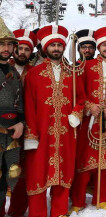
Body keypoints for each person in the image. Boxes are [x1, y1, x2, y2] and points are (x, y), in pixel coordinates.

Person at [24, 24, 84, 217]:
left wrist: (76, 112)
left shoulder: (73, 74)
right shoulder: (34, 74)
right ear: (46, 48)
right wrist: (31, 133)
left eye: (59, 45)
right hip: (41, 132)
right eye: (53, 45)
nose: (56, 48)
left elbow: (81, 98)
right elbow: (28, 105)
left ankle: (59, 211)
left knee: (63, 170)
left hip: (66, 132)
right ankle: (37, 213)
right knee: (38, 172)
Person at [69, 27, 106, 213]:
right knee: (84, 162)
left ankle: (101, 199)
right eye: (104, 45)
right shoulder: (85, 66)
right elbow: (77, 91)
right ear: (99, 47)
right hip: (89, 122)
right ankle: (78, 201)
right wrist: (88, 106)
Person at [5, 28, 36, 217]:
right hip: (3, 126)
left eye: (27, 49)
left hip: (26, 128)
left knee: (21, 171)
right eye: (20, 48)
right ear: (14, 49)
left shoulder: (35, 73)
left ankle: (16, 210)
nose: (22, 52)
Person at [0, 18, 24, 212]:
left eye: (9, 44)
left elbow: (20, 104)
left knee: (11, 175)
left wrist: (21, 123)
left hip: (11, 134)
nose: (6, 48)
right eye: (1, 44)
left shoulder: (14, 72)